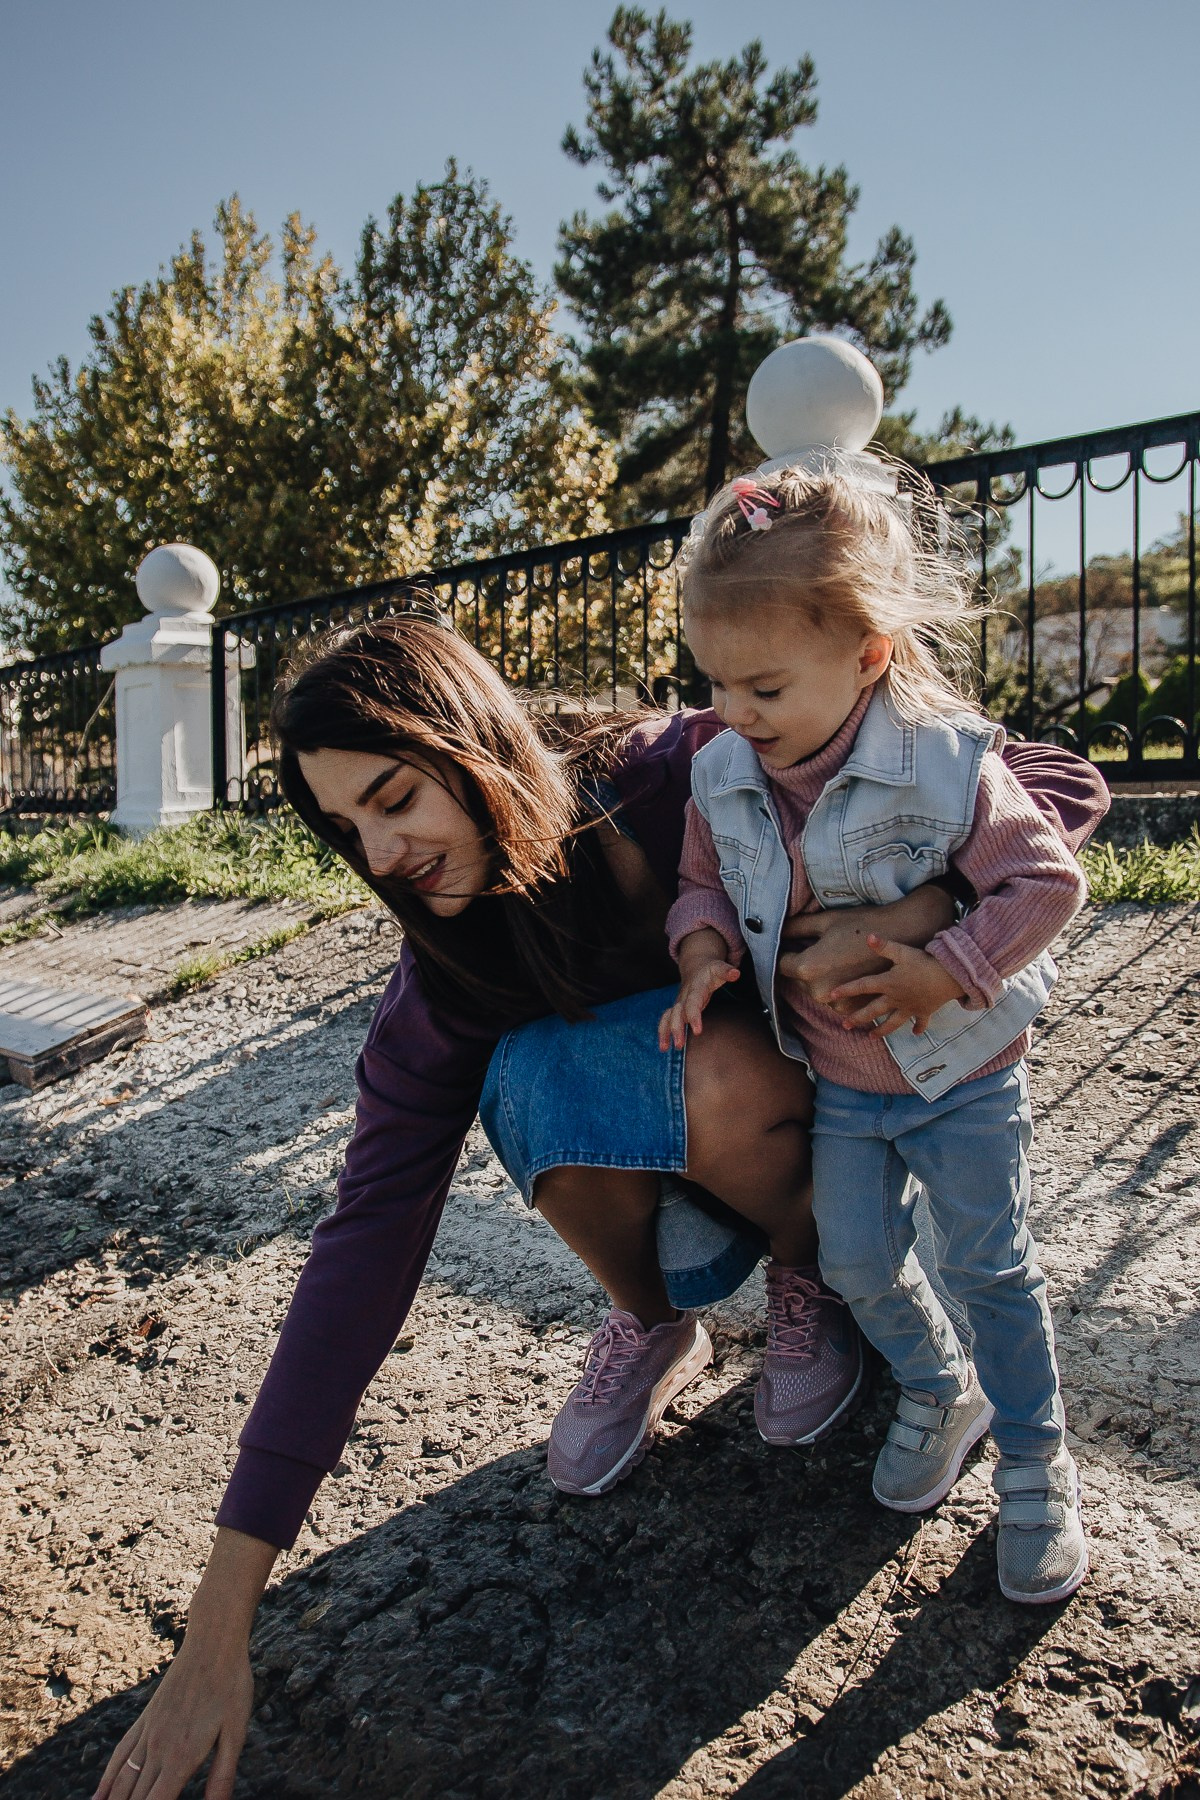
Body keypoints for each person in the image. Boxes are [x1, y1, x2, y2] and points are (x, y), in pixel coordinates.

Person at [94, 614, 1106, 1798]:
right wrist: (217, 1631)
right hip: (680, 1195)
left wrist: (923, 916)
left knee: (712, 1067)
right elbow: (360, 1246)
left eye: (394, 796)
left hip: (853, 1151)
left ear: (465, 740)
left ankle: (815, 1275)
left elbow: (1053, 780)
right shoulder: (446, 972)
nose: (381, 853)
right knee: (534, 1077)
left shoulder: (677, 767)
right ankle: (653, 1321)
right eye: (345, 828)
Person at [660, 460, 1090, 1605]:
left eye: (762, 688)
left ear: (867, 655)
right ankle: (941, 1387)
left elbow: (1046, 886)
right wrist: (701, 952)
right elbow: (700, 885)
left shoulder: (946, 764)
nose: (734, 715)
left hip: (962, 1071)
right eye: (715, 685)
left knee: (990, 1265)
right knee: (851, 1258)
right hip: (842, 1083)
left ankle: (1039, 1463)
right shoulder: (721, 768)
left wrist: (943, 972)